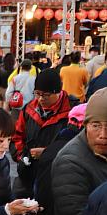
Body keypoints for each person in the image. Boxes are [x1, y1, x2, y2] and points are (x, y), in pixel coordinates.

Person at [12, 68, 71, 197]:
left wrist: (47, 153)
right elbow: (17, 136)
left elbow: (73, 145)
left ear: (58, 92)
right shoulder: (29, 109)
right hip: (27, 170)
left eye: (46, 95)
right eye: (37, 93)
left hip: (56, 173)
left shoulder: (72, 113)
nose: (40, 99)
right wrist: (21, 157)